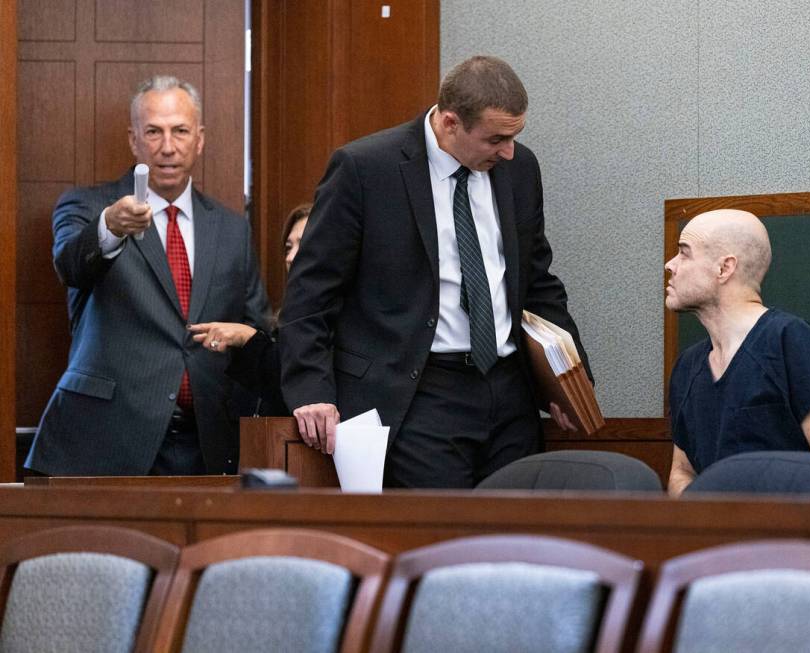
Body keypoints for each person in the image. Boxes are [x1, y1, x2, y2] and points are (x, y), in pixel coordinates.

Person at [278, 55, 592, 488]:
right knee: (439, 536)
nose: (509, 151)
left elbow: (537, 281)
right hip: (417, 393)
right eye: (495, 139)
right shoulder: (365, 169)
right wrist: (311, 388)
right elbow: (311, 292)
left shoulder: (519, 170)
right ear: (449, 123)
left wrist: (569, 377)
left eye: (515, 136)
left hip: (509, 394)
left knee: (512, 536)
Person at [26, 75, 270, 476]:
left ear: (200, 139)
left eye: (180, 131)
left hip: (207, 446)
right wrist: (111, 226)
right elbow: (71, 266)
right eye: (153, 132)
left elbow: (253, 332)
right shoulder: (88, 207)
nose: (168, 147)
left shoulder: (231, 229)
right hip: (108, 440)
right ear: (133, 139)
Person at [664, 208, 810, 497]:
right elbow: (682, 471)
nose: (670, 265)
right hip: (716, 537)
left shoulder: (791, 341)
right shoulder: (687, 366)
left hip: (788, 536)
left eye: (684, 253)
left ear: (724, 268)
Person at [188, 203, 312, 414]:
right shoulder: (288, 316)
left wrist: (247, 337)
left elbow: (298, 387)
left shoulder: (345, 319)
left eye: (304, 244)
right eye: (288, 247)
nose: (290, 258)